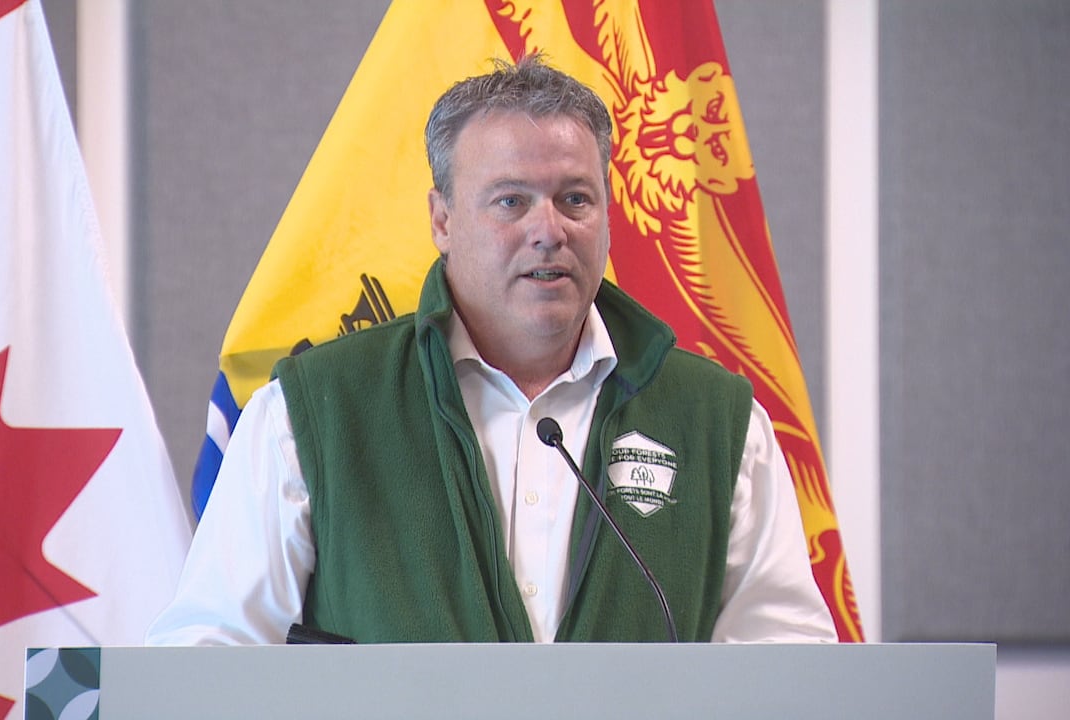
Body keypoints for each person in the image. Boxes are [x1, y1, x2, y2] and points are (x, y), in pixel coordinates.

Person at [146, 56, 837, 645]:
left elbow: (788, 667)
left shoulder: (717, 421)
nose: (549, 230)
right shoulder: (314, 413)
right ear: (442, 221)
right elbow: (210, 653)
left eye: (575, 199)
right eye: (510, 202)